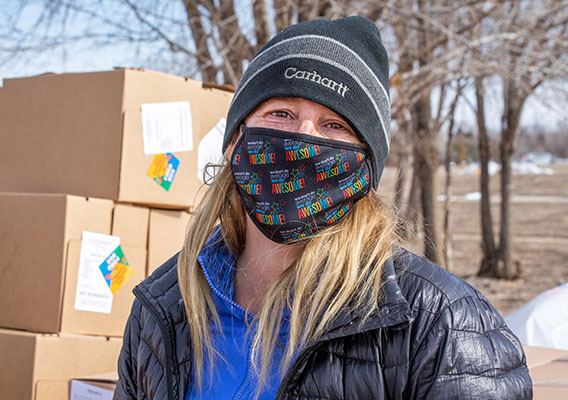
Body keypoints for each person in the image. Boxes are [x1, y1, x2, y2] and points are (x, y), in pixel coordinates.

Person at [114, 16, 532, 399]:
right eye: (281, 113)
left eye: (335, 125)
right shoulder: (165, 306)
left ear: (365, 165)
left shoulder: (442, 325)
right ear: (235, 143)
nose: (302, 138)